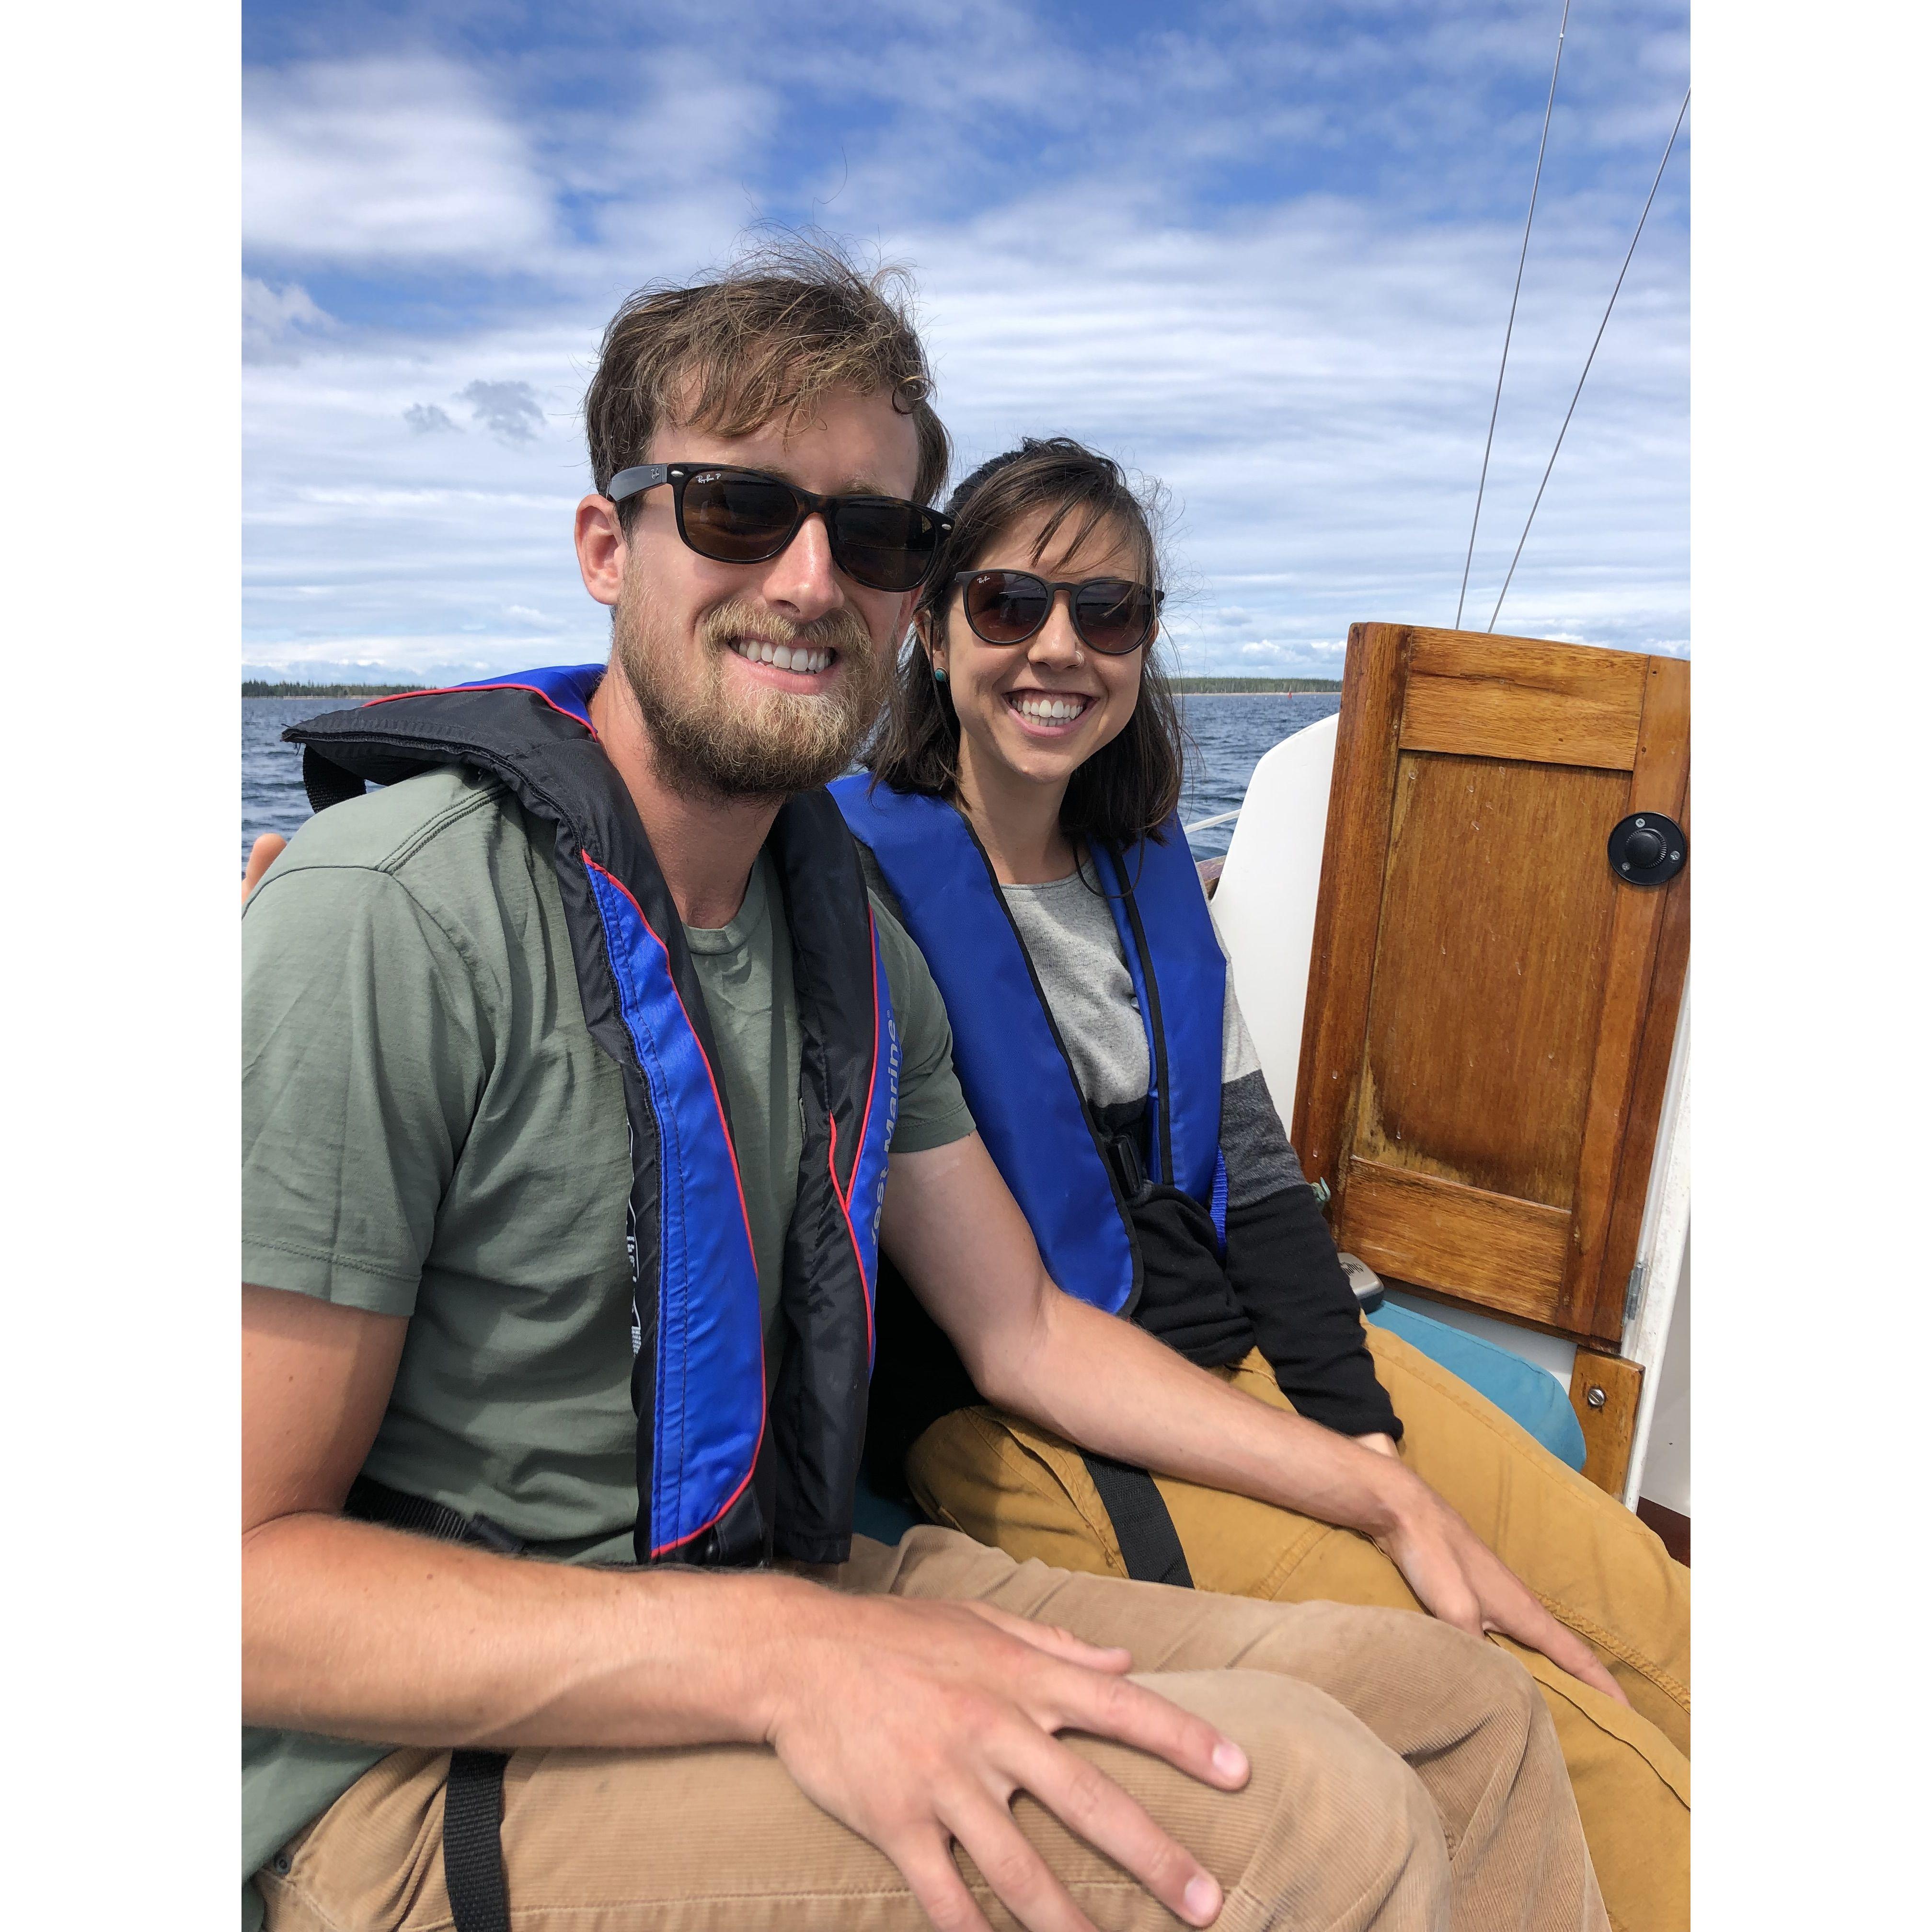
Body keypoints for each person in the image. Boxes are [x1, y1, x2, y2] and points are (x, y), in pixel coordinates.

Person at [242, 247, 1611, 1932]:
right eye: (740, 510)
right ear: (609, 546)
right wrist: (776, 1650)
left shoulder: (853, 943)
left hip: (781, 1583)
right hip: (406, 1768)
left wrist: (1373, 1476)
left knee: (1463, 1717)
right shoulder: (396, 915)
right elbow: (228, 1589)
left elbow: (1023, 1326)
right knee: (1312, 1819)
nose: (814, 580)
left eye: (877, 535)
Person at [835, 437, 1691, 1932]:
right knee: (1552, 1711)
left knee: (1637, 1597)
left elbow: (1253, 1171)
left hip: (1233, 1345)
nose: (1059, 648)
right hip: (1035, 1426)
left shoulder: (1146, 865)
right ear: (931, 623)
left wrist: (1361, 1424)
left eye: (1109, 614)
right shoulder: (851, 887)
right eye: (1010, 601)